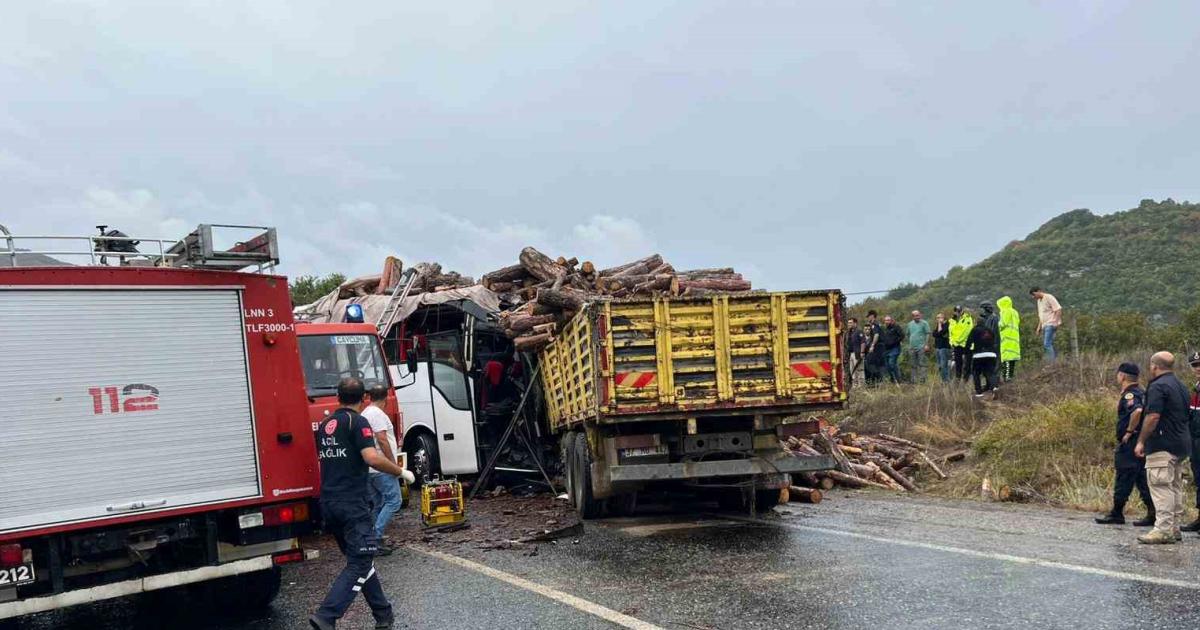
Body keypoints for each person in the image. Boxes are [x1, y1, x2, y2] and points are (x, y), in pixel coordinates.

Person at [311, 377, 410, 630]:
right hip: (352, 503)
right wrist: (399, 471)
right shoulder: (358, 421)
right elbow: (371, 457)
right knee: (361, 561)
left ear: (338, 396)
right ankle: (327, 615)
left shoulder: (325, 424)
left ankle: (383, 614)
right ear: (364, 398)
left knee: (362, 558)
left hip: (329, 501)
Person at [1134, 352, 1193, 545]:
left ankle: (1163, 529)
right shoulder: (1181, 385)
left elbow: (1153, 416)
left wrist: (1141, 440)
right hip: (1181, 442)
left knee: (1161, 486)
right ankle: (1174, 527)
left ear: (1154, 366)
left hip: (1162, 443)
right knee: (1174, 486)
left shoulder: (1158, 386)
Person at [1095, 363, 1155, 526]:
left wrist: (1128, 431)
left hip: (1130, 442)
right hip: (1141, 442)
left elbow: (1137, 411)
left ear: (1122, 376)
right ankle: (1152, 512)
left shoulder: (1131, 394)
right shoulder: (1142, 392)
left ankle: (1117, 513)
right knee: (1141, 478)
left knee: (1124, 476)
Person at [362, 381, 403, 554]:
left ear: (369, 397)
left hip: (370, 468)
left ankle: (370, 541)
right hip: (381, 468)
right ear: (385, 399)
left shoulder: (365, 413)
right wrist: (392, 464)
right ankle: (376, 538)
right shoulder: (377, 414)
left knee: (377, 504)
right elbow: (382, 439)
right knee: (394, 501)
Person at [1183, 351, 1200, 533]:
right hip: (1195, 439)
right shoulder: (1196, 387)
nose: (1198, 368)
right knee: (1198, 478)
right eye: (1194, 365)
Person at [967, 312, 999, 397]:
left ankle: (979, 392)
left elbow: (968, 343)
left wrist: (969, 351)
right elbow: (994, 341)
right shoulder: (990, 331)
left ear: (976, 323)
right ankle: (994, 387)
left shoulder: (974, 330)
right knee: (990, 372)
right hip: (991, 354)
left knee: (976, 373)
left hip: (979, 355)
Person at [1030, 287, 1062, 363]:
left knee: (1046, 344)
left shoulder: (1049, 297)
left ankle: (1051, 363)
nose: (1033, 297)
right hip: (1044, 325)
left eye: (1034, 294)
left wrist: (1056, 322)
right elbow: (1041, 315)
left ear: (1039, 291)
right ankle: (1056, 361)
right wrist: (1039, 327)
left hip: (1051, 324)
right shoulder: (1039, 301)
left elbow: (1058, 309)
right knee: (1050, 343)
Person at [997, 296, 1021, 382]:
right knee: (1012, 361)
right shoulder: (1015, 312)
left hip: (1007, 338)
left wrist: (997, 324)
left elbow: (1003, 323)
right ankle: (1010, 377)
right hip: (1014, 338)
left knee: (1006, 360)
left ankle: (1007, 379)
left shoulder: (1006, 311)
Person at [949, 306, 974, 382]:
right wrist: (952, 341)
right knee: (958, 363)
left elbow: (965, 332)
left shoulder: (968, 318)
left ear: (962, 311)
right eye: (956, 311)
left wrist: (957, 339)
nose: (958, 312)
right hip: (957, 345)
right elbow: (951, 332)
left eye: (959, 311)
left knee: (968, 363)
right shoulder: (952, 321)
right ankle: (958, 378)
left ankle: (966, 379)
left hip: (967, 344)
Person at [906, 310, 931, 384]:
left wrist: (926, 344)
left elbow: (928, 334)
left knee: (922, 364)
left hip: (922, 347)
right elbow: (907, 334)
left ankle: (923, 381)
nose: (917, 317)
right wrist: (910, 343)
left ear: (920, 315)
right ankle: (913, 381)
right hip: (912, 347)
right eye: (915, 315)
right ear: (912, 316)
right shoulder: (909, 324)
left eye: (918, 315)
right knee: (913, 365)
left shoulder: (924, 323)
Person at [880, 315, 905, 384]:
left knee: (892, 363)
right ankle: (893, 380)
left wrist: (895, 341)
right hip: (886, 349)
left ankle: (899, 380)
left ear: (891, 320)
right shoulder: (884, 329)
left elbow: (902, 335)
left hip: (895, 348)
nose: (887, 322)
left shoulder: (896, 327)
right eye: (885, 320)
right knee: (887, 366)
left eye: (888, 320)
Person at [862, 311, 883, 386]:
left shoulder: (875, 324)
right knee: (872, 364)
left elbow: (876, 335)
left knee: (873, 364)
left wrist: (872, 345)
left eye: (868, 316)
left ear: (872, 316)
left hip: (878, 347)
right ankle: (874, 382)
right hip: (877, 347)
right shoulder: (874, 325)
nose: (868, 318)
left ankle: (878, 382)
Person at [932, 313, 952, 383]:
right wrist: (938, 332)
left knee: (944, 365)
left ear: (944, 318)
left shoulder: (948, 325)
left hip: (944, 347)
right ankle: (943, 380)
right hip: (938, 347)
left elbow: (940, 332)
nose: (937, 319)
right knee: (939, 366)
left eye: (939, 317)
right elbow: (934, 334)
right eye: (937, 318)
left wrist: (939, 326)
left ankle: (947, 380)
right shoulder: (938, 325)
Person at [845, 317, 864, 389]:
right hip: (851, 354)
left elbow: (863, 342)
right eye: (848, 323)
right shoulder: (849, 333)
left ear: (855, 323)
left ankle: (861, 386)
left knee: (859, 370)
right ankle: (855, 386)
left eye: (850, 323)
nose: (849, 324)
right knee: (852, 370)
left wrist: (862, 352)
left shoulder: (859, 331)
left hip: (858, 353)